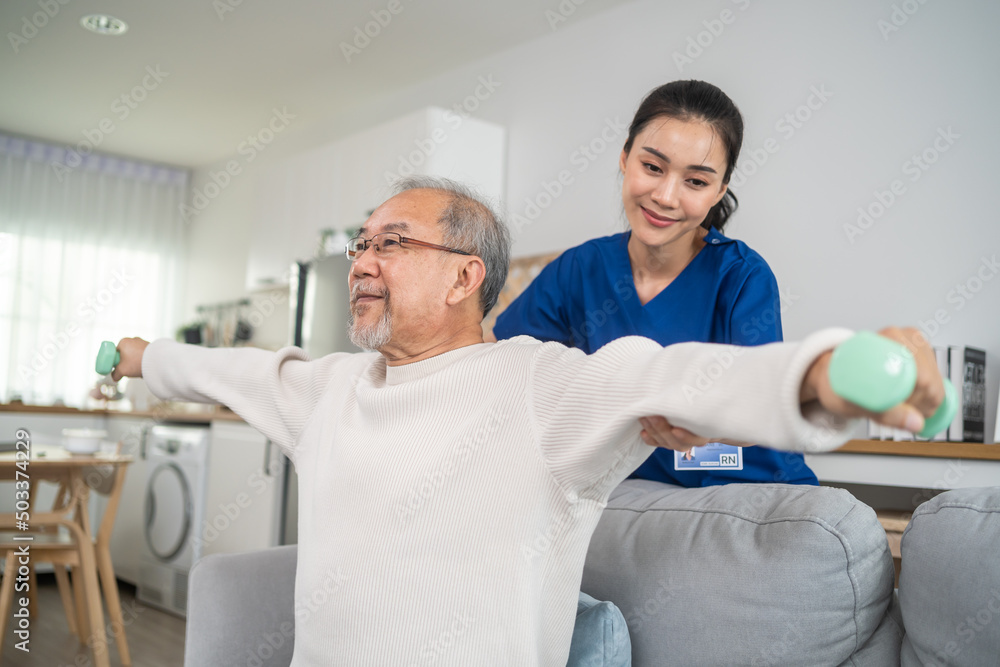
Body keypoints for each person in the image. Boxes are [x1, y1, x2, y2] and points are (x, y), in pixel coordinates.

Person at [111, 177, 943, 666]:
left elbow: (678, 372)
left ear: (463, 276)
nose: (362, 261)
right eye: (362, 243)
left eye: (390, 243)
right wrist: (138, 354)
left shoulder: (543, 384)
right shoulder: (326, 387)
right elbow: (223, 367)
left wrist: (828, 374)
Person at [494, 80, 815, 487]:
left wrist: (710, 429)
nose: (665, 196)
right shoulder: (580, 268)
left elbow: (762, 403)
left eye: (696, 181)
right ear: (625, 159)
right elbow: (507, 364)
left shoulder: (740, 276)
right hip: (625, 486)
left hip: (746, 488)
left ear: (719, 191)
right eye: (652, 167)